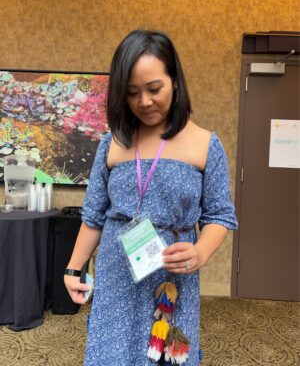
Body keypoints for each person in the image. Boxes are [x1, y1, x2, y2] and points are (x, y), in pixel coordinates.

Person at [64, 29, 238, 366]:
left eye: (154, 89)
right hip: (118, 274)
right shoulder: (112, 143)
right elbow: (94, 216)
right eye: (132, 93)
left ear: (174, 80)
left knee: (165, 357)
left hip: (171, 277)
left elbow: (220, 216)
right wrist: (73, 268)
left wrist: (200, 252)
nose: (144, 102)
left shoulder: (204, 144)